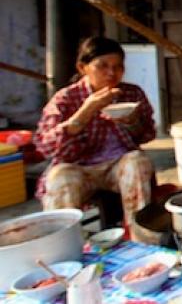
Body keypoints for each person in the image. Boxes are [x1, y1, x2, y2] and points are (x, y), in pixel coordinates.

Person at [35, 36, 156, 232]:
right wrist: (85, 112)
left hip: (118, 166)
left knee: (138, 161)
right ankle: (65, 248)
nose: (111, 73)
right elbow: (45, 147)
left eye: (118, 67)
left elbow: (148, 135)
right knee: (59, 177)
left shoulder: (131, 94)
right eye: (103, 66)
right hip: (79, 168)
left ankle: (141, 237)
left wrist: (132, 123)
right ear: (83, 68)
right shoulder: (66, 98)